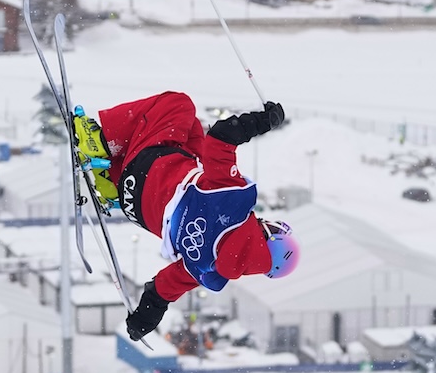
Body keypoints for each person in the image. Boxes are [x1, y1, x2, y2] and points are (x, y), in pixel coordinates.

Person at [74, 92, 301, 342]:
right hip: (134, 204)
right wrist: (143, 320)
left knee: (179, 105)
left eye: (275, 228)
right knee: (191, 130)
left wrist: (263, 122)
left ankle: (98, 141)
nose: (268, 223)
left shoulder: (235, 201)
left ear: (270, 238)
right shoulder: (211, 268)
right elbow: (163, 289)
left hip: (150, 168)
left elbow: (221, 137)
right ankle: (109, 180)